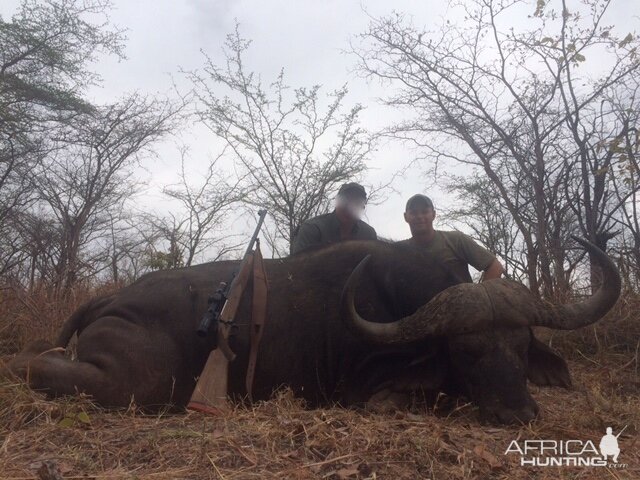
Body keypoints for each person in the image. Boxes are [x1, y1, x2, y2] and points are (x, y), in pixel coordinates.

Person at [399, 194, 504, 283]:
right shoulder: (399, 251)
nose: (419, 216)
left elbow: (494, 266)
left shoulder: (455, 240)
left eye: (425, 211)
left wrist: (480, 299)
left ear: (433, 215)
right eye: (414, 212)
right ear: (405, 217)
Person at [291, 182, 377, 255]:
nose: (348, 207)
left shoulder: (369, 234)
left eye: (356, 203)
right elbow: (297, 269)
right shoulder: (312, 228)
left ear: (362, 207)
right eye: (345, 201)